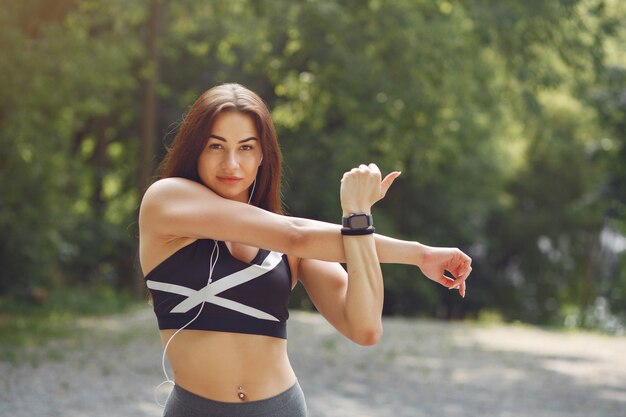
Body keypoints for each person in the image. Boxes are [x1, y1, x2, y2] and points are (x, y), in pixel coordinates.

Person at [138, 83, 472, 417]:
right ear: (195, 149)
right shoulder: (165, 201)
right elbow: (297, 235)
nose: (231, 163)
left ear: (262, 156)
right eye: (215, 146)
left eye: (246, 147)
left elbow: (364, 328)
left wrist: (367, 220)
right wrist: (411, 252)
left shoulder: (292, 243)